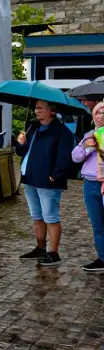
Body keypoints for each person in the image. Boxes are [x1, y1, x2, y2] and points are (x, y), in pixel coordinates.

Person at [14, 100, 75, 268]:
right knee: (37, 216)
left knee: (51, 217)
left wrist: (55, 175)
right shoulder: (33, 128)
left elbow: (64, 157)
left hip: (48, 181)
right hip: (30, 178)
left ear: (51, 111)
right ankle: (40, 248)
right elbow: (21, 152)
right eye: (35, 108)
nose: (36, 111)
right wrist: (21, 143)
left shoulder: (62, 132)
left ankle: (53, 252)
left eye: (40, 108)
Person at [73, 102, 104, 273]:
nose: (100, 115)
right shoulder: (89, 135)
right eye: (97, 113)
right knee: (97, 224)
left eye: (103, 112)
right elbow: (75, 157)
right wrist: (87, 148)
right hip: (90, 184)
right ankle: (102, 257)